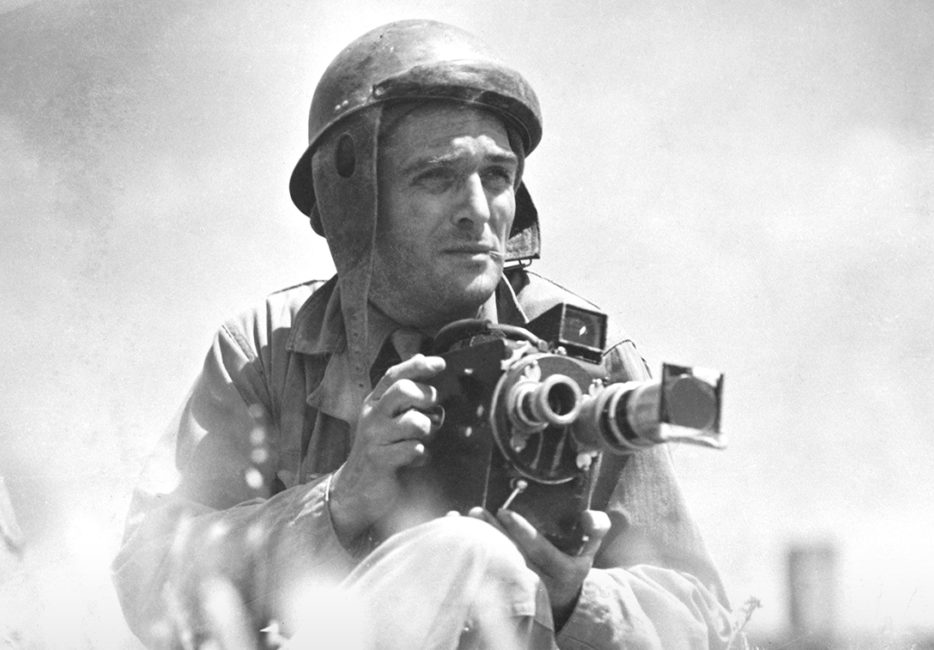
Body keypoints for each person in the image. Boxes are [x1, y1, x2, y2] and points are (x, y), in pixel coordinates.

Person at [112, 19, 738, 650]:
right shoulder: (269, 352)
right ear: (357, 203)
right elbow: (148, 577)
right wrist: (337, 502)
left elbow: (715, 631)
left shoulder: (583, 362)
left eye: (497, 176)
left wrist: (577, 598)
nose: (477, 207)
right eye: (436, 177)